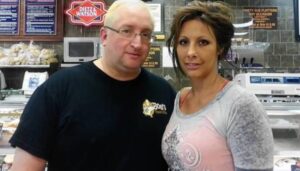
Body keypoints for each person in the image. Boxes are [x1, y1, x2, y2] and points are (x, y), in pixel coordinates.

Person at [9, 0, 176, 170]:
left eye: (146, 34)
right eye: (126, 31)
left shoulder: (164, 92)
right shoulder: (57, 89)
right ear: (104, 36)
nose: (138, 43)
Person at [162, 1, 274, 171]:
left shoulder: (240, 105)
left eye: (203, 42)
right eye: (184, 42)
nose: (191, 52)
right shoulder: (181, 98)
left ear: (220, 48)